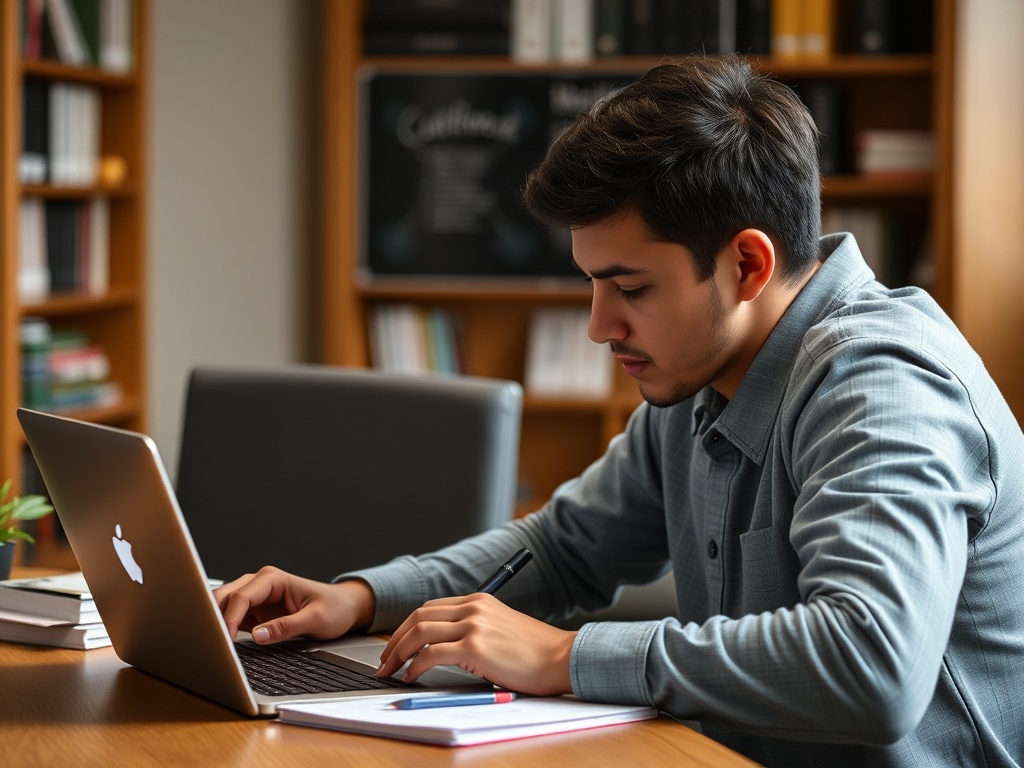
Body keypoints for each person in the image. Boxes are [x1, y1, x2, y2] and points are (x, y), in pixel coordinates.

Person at [216, 56, 1024, 767]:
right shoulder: (700, 371)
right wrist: (360, 599)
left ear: (747, 263)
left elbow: (870, 667)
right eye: (593, 285)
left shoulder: (883, 385)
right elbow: (563, 548)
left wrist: (568, 657)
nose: (601, 327)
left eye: (631, 288)